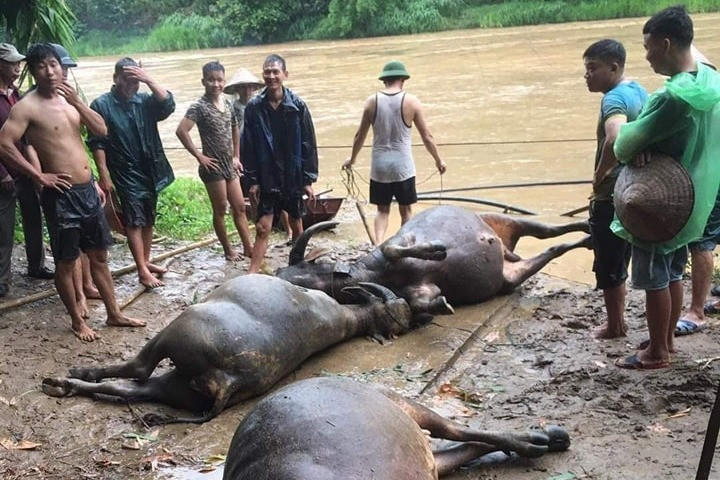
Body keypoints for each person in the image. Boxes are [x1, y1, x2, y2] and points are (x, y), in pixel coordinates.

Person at [0, 42, 145, 341]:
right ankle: (77, 321)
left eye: (53, 64)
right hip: (61, 194)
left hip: (87, 191)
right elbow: (4, 143)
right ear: (34, 71)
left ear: (61, 67)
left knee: (100, 257)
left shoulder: (71, 101)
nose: (49, 71)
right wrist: (39, 175)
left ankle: (114, 313)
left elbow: (101, 130)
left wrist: (79, 103)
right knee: (67, 261)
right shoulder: (27, 106)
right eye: (41, 66)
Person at [611, 6, 720, 369]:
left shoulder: (670, 98)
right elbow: (698, 55)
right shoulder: (710, 78)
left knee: (654, 276)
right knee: (673, 270)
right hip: (695, 201)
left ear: (667, 43)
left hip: (661, 203)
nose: (645, 56)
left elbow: (623, 145)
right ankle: (667, 340)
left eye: (649, 47)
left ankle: (657, 352)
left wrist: (638, 144)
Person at [88, 57, 175, 289]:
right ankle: (142, 270)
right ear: (115, 78)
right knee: (134, 221)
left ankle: (145, 262)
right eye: (127, 81)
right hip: (124, 171)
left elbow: (168, 105)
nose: (131, 86)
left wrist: (147, 79)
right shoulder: (102, 105)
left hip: (150, 170)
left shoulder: (145, 100)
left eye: (135, 82)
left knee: (148, 218)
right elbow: (98, 143)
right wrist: (103, 174)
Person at [582, 39, 648, 339]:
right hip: (635, 189)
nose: (587, 75)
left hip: (611, 194)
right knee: (624, 256)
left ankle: (615, 326)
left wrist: (601, 172)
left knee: (608, 260)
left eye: (592, 68)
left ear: (613, 67)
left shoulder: (613, 99)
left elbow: (615, 136)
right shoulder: (637, 90)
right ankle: (618, 321)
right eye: (586, 69)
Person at [342, 60, 446, 245]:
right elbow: (427, 137)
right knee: (405, 210)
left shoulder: (372, 101)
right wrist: (438, 161)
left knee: (382, 211)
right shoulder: (411, 102)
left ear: (384, 81)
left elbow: (359, 136)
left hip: (379, 166)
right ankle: (404, 245)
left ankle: (377, 245)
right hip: (403, 166)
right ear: (403, 80)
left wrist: (352, 160)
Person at [242, 54, 318, 274]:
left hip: (292, 175)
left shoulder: (298, 106)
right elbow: (248, 146)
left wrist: (307, 179)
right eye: (267, 72)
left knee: (296, 222)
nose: (271, 76)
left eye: (276, 72)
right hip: (267, 176)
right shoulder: (254, 108)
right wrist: (252, 180)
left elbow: (308, 143)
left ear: (285, 74)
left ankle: (298, 265)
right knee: (262, 227)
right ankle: (252, 273)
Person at [176, 61, 254, 261]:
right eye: (211, 80)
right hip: (213, 167)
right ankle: (228, 250)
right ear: (203, 81)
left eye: (219, 80)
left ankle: (248, 247)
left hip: (230, 165)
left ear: (224, 81)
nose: (215, 84)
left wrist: (237, 156)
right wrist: (199, 156)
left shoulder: (227, 104)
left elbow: (235, 129)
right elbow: (182, 131)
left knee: (240, 207)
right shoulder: (199, 107)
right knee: (220, 209)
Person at [0, 43, 54, 301]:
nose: (17, 68)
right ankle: (2, 281)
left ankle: (37, 266)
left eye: (18, 63)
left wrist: (35, 170)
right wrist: (2, 173)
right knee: (4, 229)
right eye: (12, 63)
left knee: (34, 218)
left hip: (24, 170)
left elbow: (26, 137)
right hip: (4, 176)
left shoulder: (15, 94)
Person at [674, 46, 719, 333]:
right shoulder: (712, 86)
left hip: (711, 178)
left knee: (701, 242)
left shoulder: (697, 93)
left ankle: (697, 311)